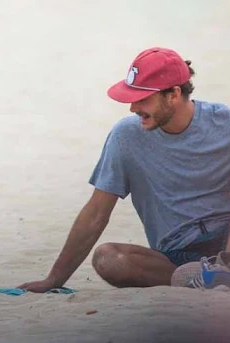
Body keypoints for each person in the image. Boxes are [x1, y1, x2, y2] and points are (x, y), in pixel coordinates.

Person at [18, 47, 230, 292]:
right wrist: (53, 280)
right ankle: (199, 279)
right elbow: (96, 212)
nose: (132, 108)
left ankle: (221, 273)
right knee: (108, 258)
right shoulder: (127, 136)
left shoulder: (223, 123)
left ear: (173, 94)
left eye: (142, 99)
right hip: (176, 255)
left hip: (225, 239)